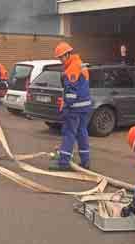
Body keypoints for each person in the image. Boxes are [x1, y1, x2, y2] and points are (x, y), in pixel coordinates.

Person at [49, 42, 92, 170]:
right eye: (59, 58)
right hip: (84, 107)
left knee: (69, 133)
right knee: (82, 133)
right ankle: (85, 161)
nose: (61, 60)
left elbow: (71, 94)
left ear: (68, 54)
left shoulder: (72, 69)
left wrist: (66, 107)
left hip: (74, 109)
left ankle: (63, 163)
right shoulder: (80, 64)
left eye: (62, 57)